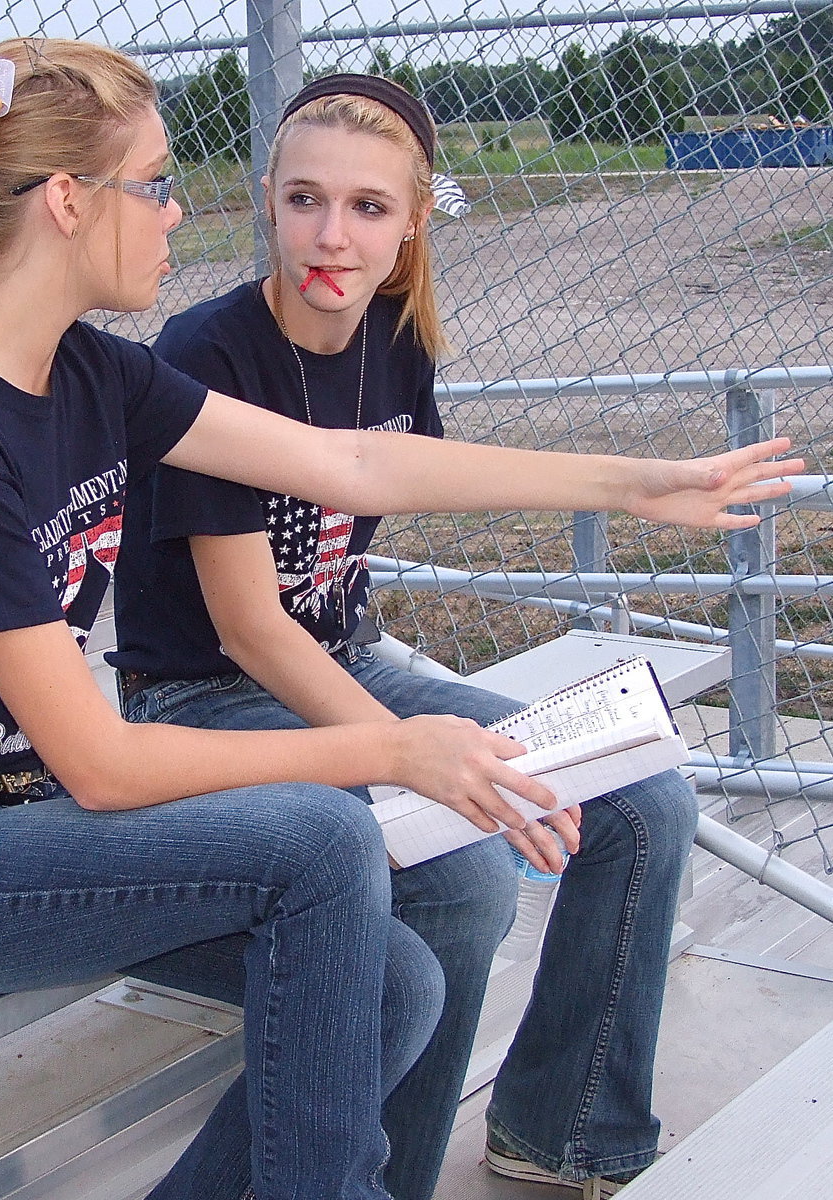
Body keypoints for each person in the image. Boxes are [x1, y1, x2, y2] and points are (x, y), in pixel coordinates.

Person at [0, 34, 797, 1200]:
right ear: (68, 201)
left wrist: (634, 483)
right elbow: (104, 764)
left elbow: (347, 466)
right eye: (155, 183)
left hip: (14, 823)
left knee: (395, 987)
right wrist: (395, 750)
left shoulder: (92, 373)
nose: (173, 214)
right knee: (317, 848)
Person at [108, 74, 798, 1200]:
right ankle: (390, 1179)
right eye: (303, 200)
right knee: (460, 863)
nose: (331, 235)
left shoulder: (394, 336)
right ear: (266, 203)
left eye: (369, 208)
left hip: (344, 653)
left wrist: (644, 485)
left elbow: (405, 484)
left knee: (642, 799)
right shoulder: (206, 353)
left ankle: (565, 1131)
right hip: (207, 689)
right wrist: (413, 756)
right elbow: (245, 629)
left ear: (413, 219)